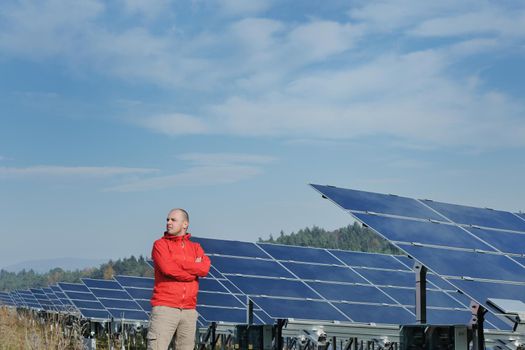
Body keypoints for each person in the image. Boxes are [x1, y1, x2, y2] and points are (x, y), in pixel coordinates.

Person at [147, 208, 211, 350]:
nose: (168, 223)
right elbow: (168, 269)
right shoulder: (160, 245)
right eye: (167, 220)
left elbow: (204, 269)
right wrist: (192, 272)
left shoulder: (196, 247)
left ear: (185, 224)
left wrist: (179, 264)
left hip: (189, 310)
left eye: (173, 220)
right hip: (165, 307)